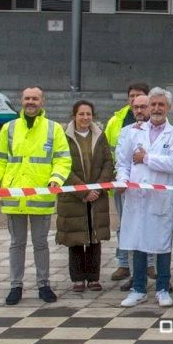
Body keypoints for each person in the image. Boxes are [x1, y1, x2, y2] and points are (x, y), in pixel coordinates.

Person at [0, 87, 72, 305]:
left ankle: (44, 285)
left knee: (41, 244)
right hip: (14, 196)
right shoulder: (9, 128)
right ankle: (15, 286)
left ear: (43, 101)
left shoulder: (54, 128)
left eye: (35, 98)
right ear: (21, 101)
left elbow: (62, 159)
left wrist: (56, 180)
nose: (31, 102)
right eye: (27, 98)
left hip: (41, 196)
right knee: (17, 244)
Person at [116, 87, 173, 308]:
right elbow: (123, 162)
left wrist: (146, 158)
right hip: (135, 196)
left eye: (161, 105)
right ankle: (138, 289)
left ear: (168, 108)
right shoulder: (132, 131)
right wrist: (122, 180)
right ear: (148, 107)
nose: (157, 108)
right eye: (153, 104)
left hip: (160, 197)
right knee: (137, 242)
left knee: (161, 245)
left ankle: (162, 288)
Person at [57, 100, 114, 293]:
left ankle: (93, 277)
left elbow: (108, 162)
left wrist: (97, 188)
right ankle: (78, 279)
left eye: (88, 114)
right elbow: (61, 167)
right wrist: (83, 191)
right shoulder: (63, 137)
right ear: (74, 116)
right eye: (81, 114)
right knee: (75, 238)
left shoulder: (100, 136)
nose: (85, 118)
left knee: (94, 237)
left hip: (97, 196)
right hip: (73, 198)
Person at [104, 81, 149, 282]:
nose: (134, 100)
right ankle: (124, 263)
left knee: (150, 223)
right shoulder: (116, 121)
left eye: (139, 96)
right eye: (131, 96)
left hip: (148, 183)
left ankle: (150, 265)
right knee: (125, 224)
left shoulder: (155, 122)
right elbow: (109, 150)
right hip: (122, 182)